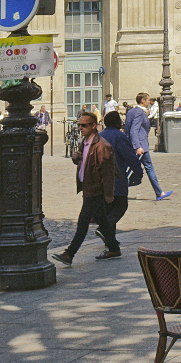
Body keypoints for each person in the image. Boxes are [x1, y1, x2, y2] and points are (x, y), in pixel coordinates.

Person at [52, 111, 118, 265]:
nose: (80, 128)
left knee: (83, 222)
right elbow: (85, 162)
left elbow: (108, 172)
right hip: (88, 187)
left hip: (95, 190)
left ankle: (70, 253)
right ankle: (114, 248)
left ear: (93, 126)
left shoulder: (102, 146)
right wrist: (77, 158)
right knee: (102, 219)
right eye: (79, 125)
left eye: (84, 125)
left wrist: (109, 193)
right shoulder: (86, 142)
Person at [100, 110, 143, 248]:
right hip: (116, 179)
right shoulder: (120, 136)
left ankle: (111, 246)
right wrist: (138, 173)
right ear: (116, 122)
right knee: (120, 207)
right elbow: (130, 157)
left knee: (109, 210)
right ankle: (104, 229)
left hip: (101, 180)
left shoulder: (99, 136)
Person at [125, 91, 170, 201]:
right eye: (148, 100)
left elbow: (128, 129)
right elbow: (133, 130)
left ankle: (159, 192)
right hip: (140, 146)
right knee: (143, 168)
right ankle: (159, 192)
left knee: (129, 169)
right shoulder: (140, 113)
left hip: (134, 144)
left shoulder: (131, 111)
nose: (149, 102)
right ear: (142, 101)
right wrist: (137, 146)